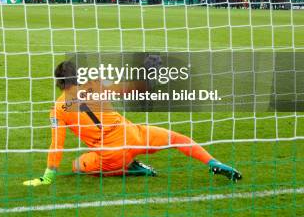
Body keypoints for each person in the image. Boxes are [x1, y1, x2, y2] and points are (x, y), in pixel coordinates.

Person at [23, 61, 242, 186]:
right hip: (133, 134)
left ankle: (130, 169)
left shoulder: (58, 109)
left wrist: (48, 176)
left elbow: (56, 145)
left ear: (59, 82)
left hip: (112, 154)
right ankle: (214, 162)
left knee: (77, 166)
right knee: (176, 138)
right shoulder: (96, 84)